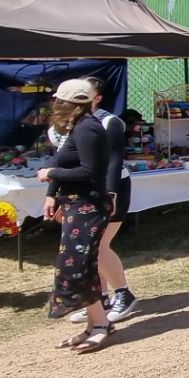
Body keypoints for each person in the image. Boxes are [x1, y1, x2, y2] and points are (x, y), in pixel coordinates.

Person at [36, 79, 118, 352]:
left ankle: (101, 325)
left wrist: (52, 174)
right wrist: (52, 191)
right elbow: (62, 161)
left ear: (69, 103)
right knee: (80, 266)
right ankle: (97, 323)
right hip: (75, 206)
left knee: (77, 266)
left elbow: (91, 172)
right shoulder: (75, 128)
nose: (54, 105)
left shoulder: (88, 129)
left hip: (89, 206)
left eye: (58, 101)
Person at [63, 77, 139, 325]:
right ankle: (99, 298)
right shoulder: (72, 122)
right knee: (90, 248)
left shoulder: (110, 122)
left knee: (99, 246)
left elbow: (115, 161)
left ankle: (124, 294)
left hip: (111, 188)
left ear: (97, 97)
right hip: (85, 191)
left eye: (86, 93)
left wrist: (111, 194)